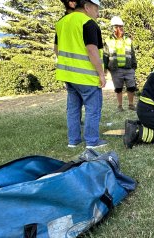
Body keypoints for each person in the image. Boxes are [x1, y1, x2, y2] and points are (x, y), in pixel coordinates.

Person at [55, 0, 107, 149]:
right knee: (93, 109)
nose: (97, 14)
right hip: (86, 76)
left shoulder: (61, 23)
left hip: (68, 76)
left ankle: (73, 141)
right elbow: (92, 50)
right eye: (97, 10)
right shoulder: (88, 23)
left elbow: (56, 49)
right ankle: (92, 142)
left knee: (73, 109)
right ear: (87, 7)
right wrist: (101, 74)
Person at [104, 16, 138, 112]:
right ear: (113, 28)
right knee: (118, 88)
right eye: (118, 27)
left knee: (131, 87)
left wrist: (134, 65)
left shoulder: (127, 39)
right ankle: (120, 106)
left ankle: (131, 105)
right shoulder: (108, 40)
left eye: (121, 26)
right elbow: (105, 55)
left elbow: (132, 53)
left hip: (128, 68)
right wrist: (105, 68)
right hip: (116, 69)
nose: (120, 29)